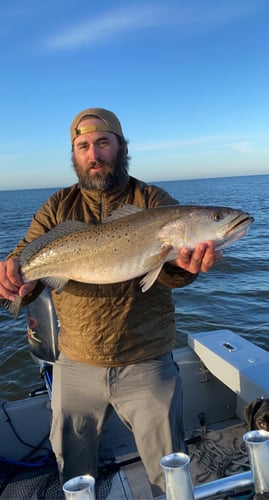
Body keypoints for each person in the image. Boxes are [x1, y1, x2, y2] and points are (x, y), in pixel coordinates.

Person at [0, 108, 221, 497]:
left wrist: (184, 268)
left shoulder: (154, 201)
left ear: (121, 146)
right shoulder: (57, 207)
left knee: (168, 473)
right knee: (73, 471)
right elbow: (24, 262)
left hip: (147, 360)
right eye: (83, 146)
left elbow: (167, 274)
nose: (94, 154)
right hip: (75, 363)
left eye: (103, 142)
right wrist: (13, 280)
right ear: (75, 155)